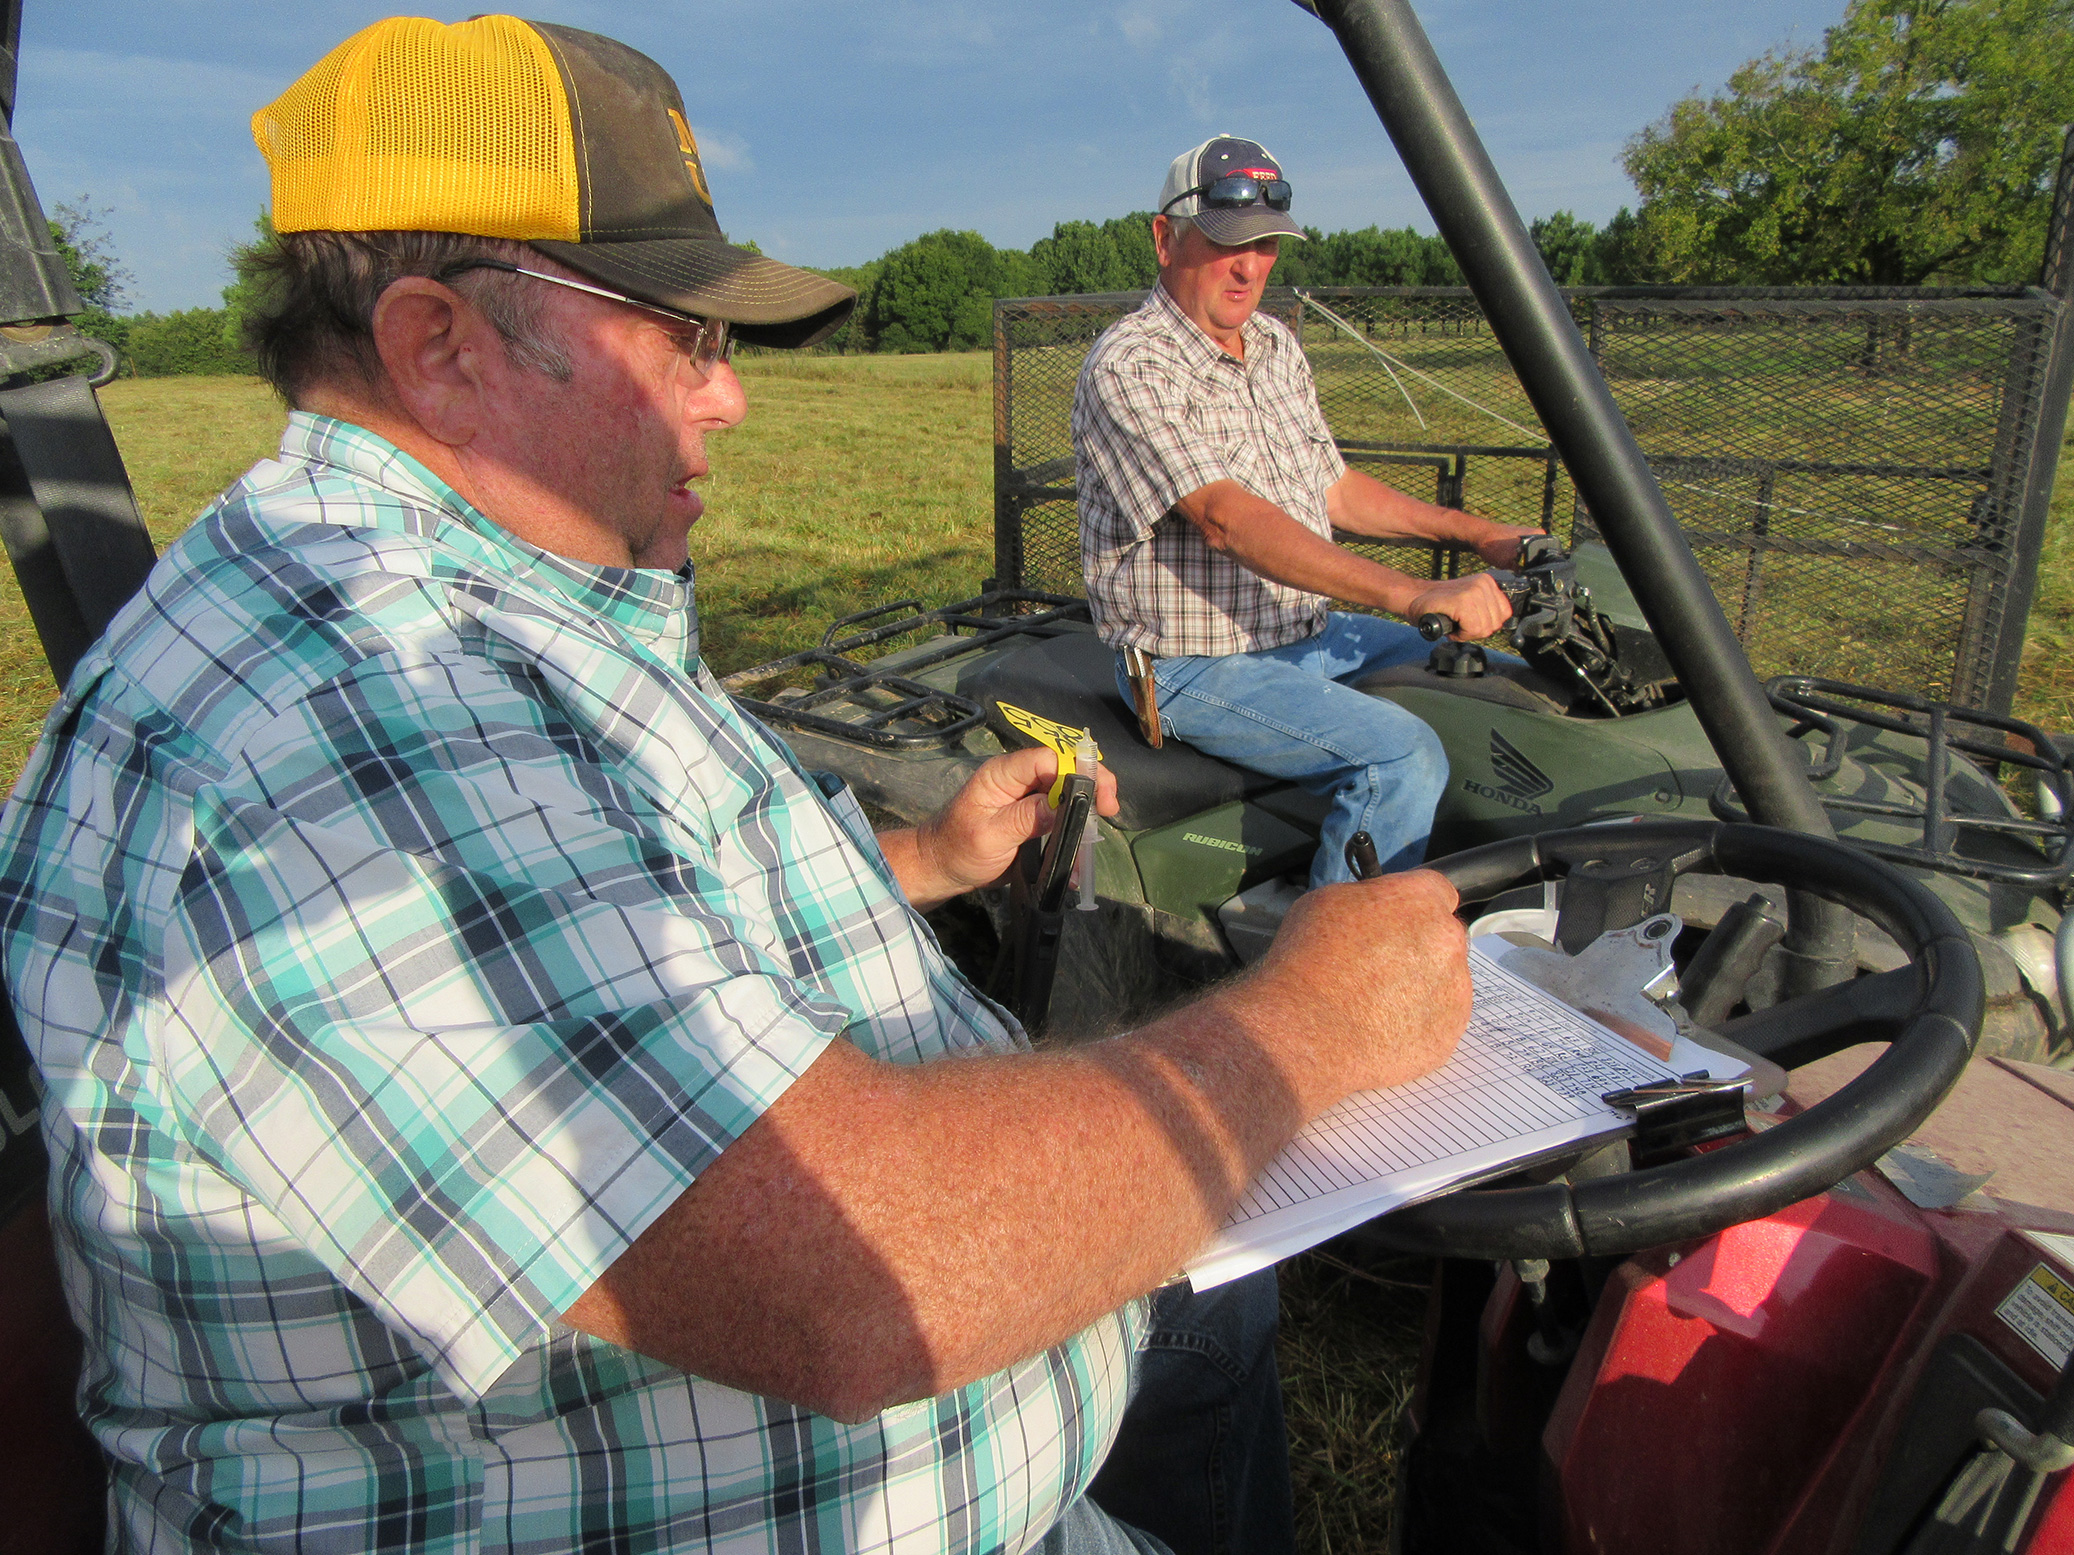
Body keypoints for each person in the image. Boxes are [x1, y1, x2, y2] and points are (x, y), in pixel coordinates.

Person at [0, 21, 1473, 1555]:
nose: (727, 400)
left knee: (1208, 1315)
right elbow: (859, 1274)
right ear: (439, 345)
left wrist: (914, 855)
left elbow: (611, 908)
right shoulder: (352, 716)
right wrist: (1308, 1026)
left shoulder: (506, 597)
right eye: (683, 340)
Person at [1073, 136, 1543, 887]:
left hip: (1307, 632)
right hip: (1195, 666)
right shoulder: (1131, 364)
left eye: (1264, 245)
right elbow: (1225, 518)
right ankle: (1329, 953)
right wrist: (1415, 593)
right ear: (1165, 239)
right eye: (1226, 243)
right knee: (1400, 757)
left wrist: (1481, 535)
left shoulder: (1274, 347)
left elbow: (1335, 488)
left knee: (1503, 684)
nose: (1249, 267)